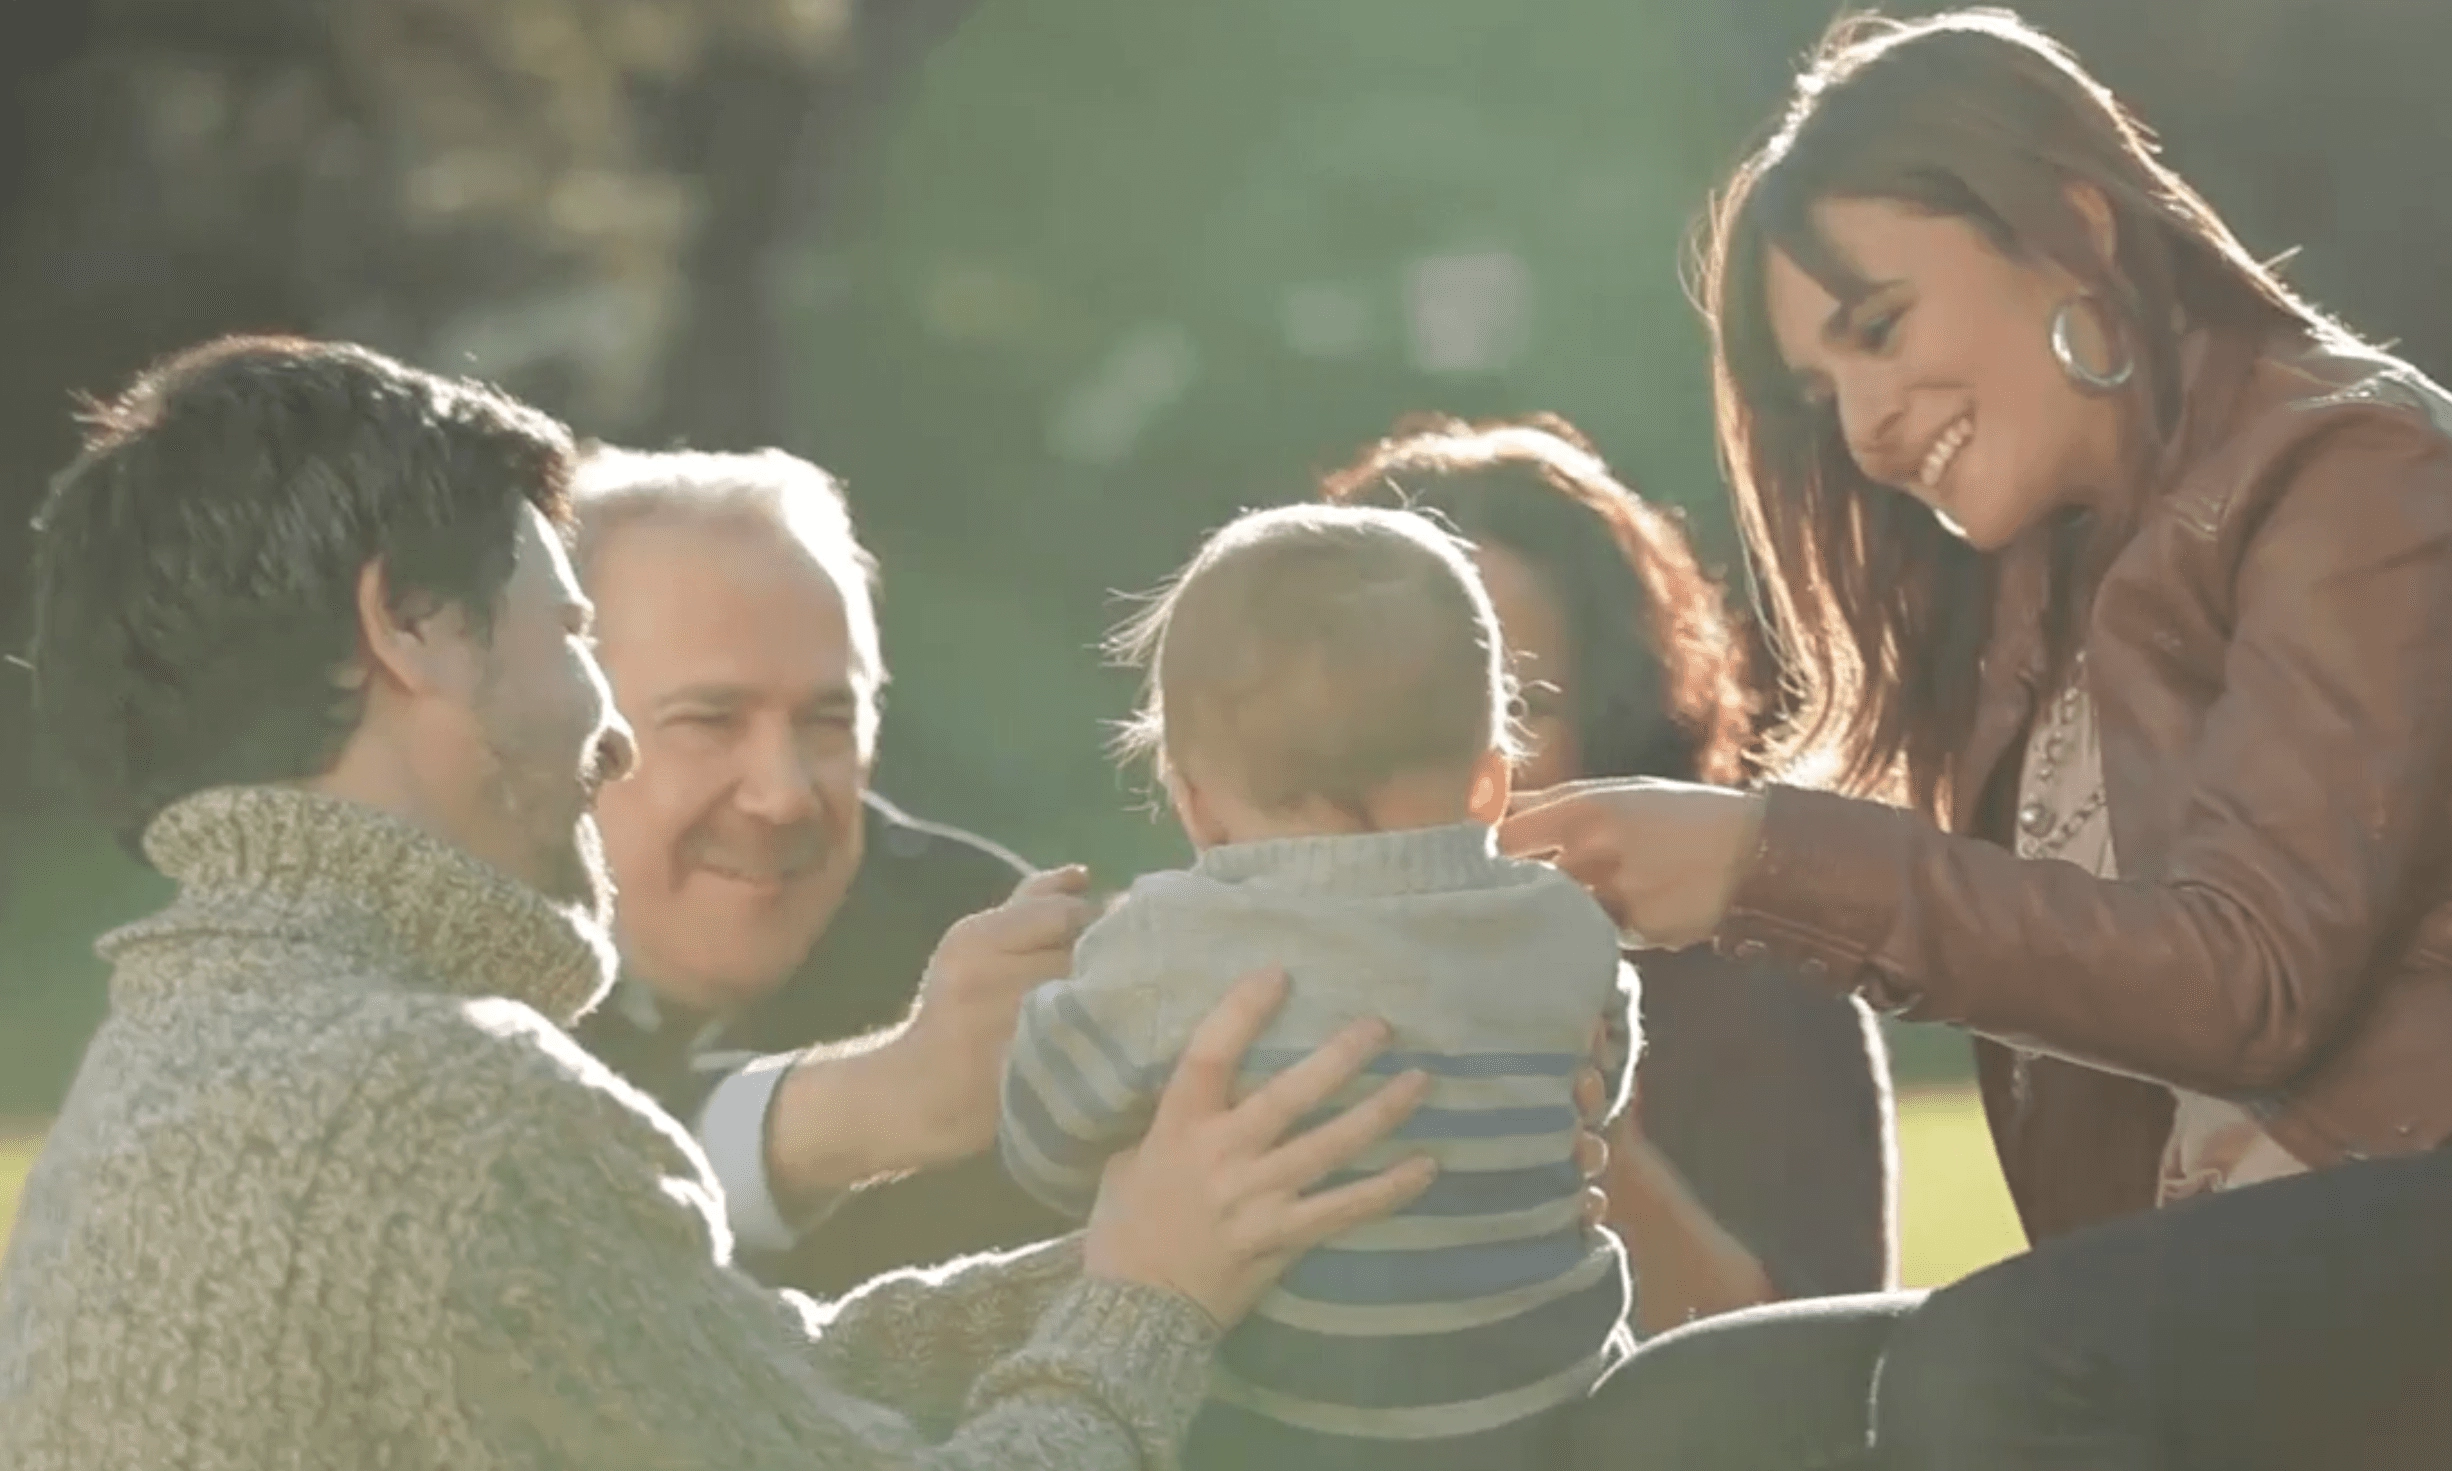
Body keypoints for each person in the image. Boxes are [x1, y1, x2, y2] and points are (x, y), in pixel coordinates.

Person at [0, 334, 1452, 1466]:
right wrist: (1153, 1302)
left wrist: (1136, 1253)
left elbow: (697, 1372)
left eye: (829, 716)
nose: (609, 731)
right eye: (572, 629)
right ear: (410, 624)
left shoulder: (167, 1065)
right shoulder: (444, 1112)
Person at [1519, 10, 2452, 1467]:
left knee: (1994, 1364)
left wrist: (1769, 863)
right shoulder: (2030, 602)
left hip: (2406, 1216)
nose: (1866, 431)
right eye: (1824, 396)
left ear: (2074, 228)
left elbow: (2252, 979)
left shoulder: (2353, 471)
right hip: (2210, 1281)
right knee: (1690, 1413)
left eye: (1879, 329)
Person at [1000, 502, 1634, 1471]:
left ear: (1195, 804)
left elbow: (1042, 1145)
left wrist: (1044, 1007)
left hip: (1286, 1437)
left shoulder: (1167, 941)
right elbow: (1599, 1087)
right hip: (1550, 1418)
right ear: (1490, 786)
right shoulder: (1567, 925)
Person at [1323, 413, 1895, 1330]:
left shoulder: (1763, 978)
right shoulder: (1231, 973)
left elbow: (1823, 1374)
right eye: (1400, 711)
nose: (1457, 768)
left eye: (1519, 709)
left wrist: (1597, 1147)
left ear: (1617, 724)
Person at [566, 445, 1071, 1295]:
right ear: (556, 722)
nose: (785, 795)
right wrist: (864, 1105)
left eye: (828, 722)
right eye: (711, 720)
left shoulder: (986, 949)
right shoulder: (426, 957)